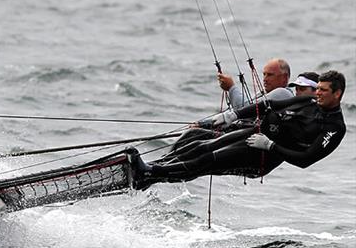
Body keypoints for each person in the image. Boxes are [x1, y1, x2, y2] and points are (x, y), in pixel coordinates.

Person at [130, 70, 347, 190]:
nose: (318, 93)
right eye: (317, 89)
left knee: (207, 160)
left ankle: (151, 173)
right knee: (199, 146)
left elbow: (306, 159)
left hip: (261, 155)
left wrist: (271, 146)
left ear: (337, 94)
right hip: (254, 135)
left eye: (323, 91)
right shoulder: (308, 101)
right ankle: (153, 170)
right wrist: (232, 115)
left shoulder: (334, 127)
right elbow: (266, 106)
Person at [217, 58, 293, 109]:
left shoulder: (284, 93)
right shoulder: (262, 94)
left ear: (284, 78)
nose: (265, 79)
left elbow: (246, 110)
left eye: (270, 75)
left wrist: (231, 87)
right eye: (264, 74)